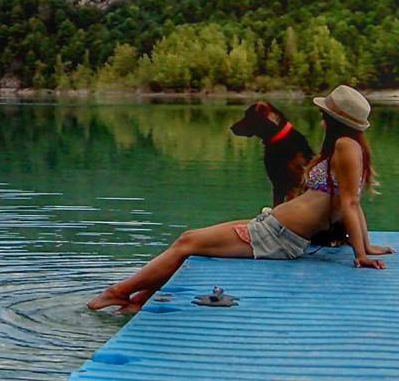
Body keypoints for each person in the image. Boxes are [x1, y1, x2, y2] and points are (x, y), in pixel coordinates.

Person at [88, 85, 393, 314]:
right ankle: (138, 299)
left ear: (334, 118)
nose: (321, 118)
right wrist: (365, 244)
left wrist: (361, 253)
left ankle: (118, 292)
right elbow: (351, 201)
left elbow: (351, 202)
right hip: (273, 227)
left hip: (279, 238)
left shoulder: (345, 146)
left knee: (187, 242)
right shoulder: (348, 146)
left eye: (324, 114)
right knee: (191, 239)